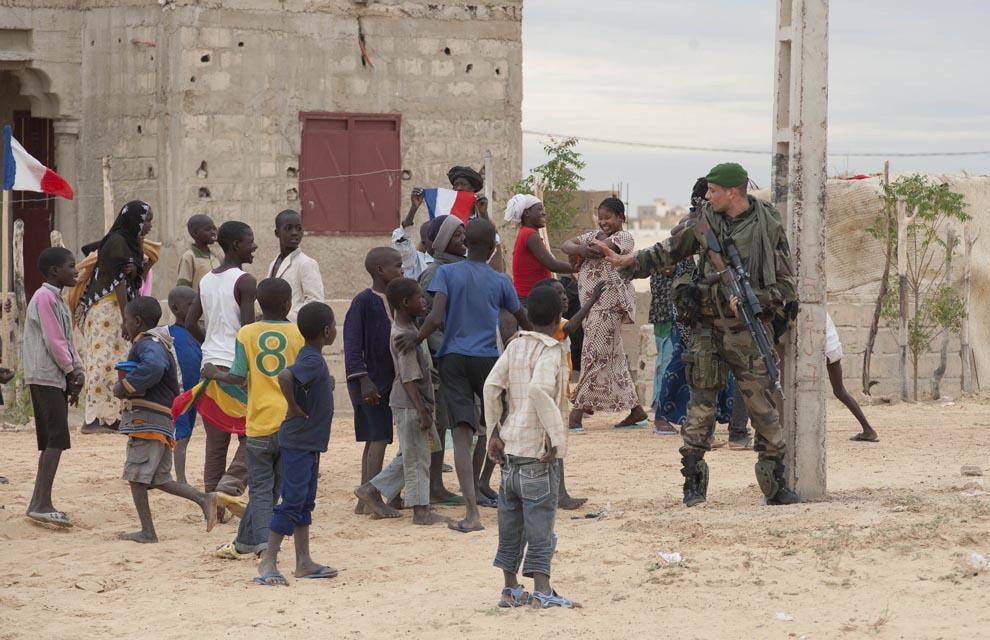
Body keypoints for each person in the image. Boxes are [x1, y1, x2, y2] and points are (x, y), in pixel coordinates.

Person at [596, 162, 802, 507]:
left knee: (764, 409)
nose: (707, 196)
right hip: (707, 329)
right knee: (700, 409)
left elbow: (786, 284)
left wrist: (756, 300)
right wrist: (627, 262)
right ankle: (693, 485)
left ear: (733, 191)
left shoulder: (767, 225)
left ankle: (775, 485)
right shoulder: (703, 223)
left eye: (713, 190)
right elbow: (668, 250)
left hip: (750, 331)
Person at [398, 218, 532, 534]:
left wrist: (416, 340)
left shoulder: (446, 273)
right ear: (491, 248)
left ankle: (471, 514)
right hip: (488, 359)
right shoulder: (500, 281)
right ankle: (513, 503)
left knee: (461, 433)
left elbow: (435, 316)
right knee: (502, 428)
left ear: (467, 244)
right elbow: (521, 317)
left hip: (453, 358)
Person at [484, 286, 575, 609]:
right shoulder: (552, 351)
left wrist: (493, 431)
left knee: (510, 524)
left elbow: (491, 386)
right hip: (538, 453)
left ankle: (510, 589)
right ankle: (542, 591)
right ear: (557, 319)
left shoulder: (515, 345)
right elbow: (539, 390)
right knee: (541, 524)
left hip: (509, 451)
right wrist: (556, 436)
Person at [203, 278, 304, 559]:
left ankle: (256, 544)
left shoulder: (246, 333)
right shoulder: (298, 334)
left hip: (259, 422)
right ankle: (254, 544)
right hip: (289, 420)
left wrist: (214, 373)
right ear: (288, 304)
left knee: (260, 489)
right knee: (273, 490)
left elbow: (237, 376)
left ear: (258, 303)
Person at [113, 296, 219, 543]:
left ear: (137, 321)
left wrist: (125, 386)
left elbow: (155, 366)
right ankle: (204, 499)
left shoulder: (148, 344)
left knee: (136, 475)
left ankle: (147, 532)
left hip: (147, 420)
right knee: (159, 478)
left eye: (126, 320)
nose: (125, 325)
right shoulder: (157, 341)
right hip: (159, 420)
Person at [258, 301, 338, 586]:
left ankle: (303, 561)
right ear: (328, 331)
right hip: (300, 441)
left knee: (304, 501)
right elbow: (284, 376)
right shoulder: (313, 359)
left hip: (309, 442)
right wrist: (292, 407)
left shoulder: (313, 358)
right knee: (292, 501)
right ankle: (267, 561)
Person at [354, 277, 446, 525]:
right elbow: (407, 377)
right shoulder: (404, 336)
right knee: (417, 459)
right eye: (419, 298)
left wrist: (428, 370)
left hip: (411, 401)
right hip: (410, 404)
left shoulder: (409, 330)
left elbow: (414, 368)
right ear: (405, 303)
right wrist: (422, 410)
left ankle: (371, 490)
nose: (424, 301)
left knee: (413, 453)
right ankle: (421, 510)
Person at [561, 197, 648, 431]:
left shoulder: (625, 238)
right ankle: (637, 412)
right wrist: (580, 249)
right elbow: (566, 245)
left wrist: (585, 249)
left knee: (593, 355)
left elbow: (602, 250)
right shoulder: (592, 236)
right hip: (592, 307)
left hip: (609, 306)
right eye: (600, 218)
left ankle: (576, 413)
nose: (604, 222)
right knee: (615, 359)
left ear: (621, 218)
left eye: (608, 217)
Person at [184, 221, 257, 498]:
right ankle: (229, 487)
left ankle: (211, 500)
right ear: (237, 245)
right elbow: (248, 331)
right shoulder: (245, 281)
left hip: (209, 365)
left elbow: (191, 322)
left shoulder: (206, 280)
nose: (255, 247)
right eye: (250, 241)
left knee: (216, 443)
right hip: (236, 367)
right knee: (254, 434)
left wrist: (210, 344)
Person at [72, 200, 155, 434]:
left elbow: (132, 281)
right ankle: (93, 420)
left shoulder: (131, 243)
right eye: (146, 220)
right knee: (102, 363)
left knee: (117, 363)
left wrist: (143, 269)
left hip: (119, 310)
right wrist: (127, 317)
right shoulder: (118, 242)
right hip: (106, 310)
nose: (149, 226)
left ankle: (113, 416)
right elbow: (118, 282)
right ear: (135, 221)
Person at [22, 247, 84, 527]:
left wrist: (77, 371)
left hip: (55, 376)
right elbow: (54, 341)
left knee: (53, 441)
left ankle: (39, 502)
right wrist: (71, 371)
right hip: (45, 375)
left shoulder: (58, 300)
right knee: (55, 440)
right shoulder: (44, 298)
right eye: (71, 266)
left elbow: (68, 341)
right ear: (54, 271)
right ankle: (41, 503)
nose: (76, 271)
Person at [530, 277, 603, 511]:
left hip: (556, 393)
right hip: (551, 396)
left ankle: (554, 492)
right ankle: (559, 494)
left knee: (550, 446)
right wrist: (591, 301)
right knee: (554, 445)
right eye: (558, 294)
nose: (564, 297)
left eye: (564, 293)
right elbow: (571, 327)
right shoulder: (555, 328)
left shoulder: (552, 324)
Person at [344, 247, 403, 514]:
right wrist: (363, 380)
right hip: (372, 383)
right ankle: (371, 497)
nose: (401, 270)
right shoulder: (363, 301)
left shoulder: (396, 299)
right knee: (377, 437)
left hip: (394, 380)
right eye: (397, 266)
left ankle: (366, 498)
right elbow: (352, 343)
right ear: (380, 270)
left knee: (380, 438)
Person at [418, 214, 467, 504]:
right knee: (435, 425)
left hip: (455, 358)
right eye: (458, 236)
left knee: (446, 422)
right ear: (444, 241)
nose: (463, 241)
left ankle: (435, 483)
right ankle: (430, 485)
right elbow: (426, 321)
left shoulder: (461, 268)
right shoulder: (435, 273)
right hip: (439, 359)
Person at [504, 194, 574, 302]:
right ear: (527, 212)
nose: (544, 213)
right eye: (540, 209)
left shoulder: (526, 232)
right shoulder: (529, 234)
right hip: (530, 299)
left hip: (530, 296)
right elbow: (553, 265)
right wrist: (579, 268)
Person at [166, 286, 202, 485]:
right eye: (191, 305)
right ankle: (180, 478)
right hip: (179, 393)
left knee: (185, 434)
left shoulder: (198, 333)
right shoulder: (170, 335)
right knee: (181, 435)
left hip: (194, 392)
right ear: (175, 308)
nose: (196, 309)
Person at [825, 313, 879, 442]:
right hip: (834, 349)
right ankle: (868, 430)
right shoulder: (821, 310)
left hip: (826, 350)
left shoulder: (811, 307)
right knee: (840, 391)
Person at [267, 209, 325, 322]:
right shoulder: (274, 263)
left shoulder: (307, 263)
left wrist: (285, 318)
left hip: (294, 329)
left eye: (299, 228)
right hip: (274, 328)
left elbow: (316, 302)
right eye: (288, 228)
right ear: (277, 233)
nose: (294, 233)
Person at [392, 188, 435, 280]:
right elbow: (401, 241)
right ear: (424, 243)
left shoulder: (454, 260)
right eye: (434, 237)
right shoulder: (415, 261)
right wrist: (413, 209)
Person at [176, 213, 221, 291]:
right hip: (199, 302)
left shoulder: (216, 256)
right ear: (196, 233)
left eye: (214, 229)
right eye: (208, 229)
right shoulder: (189, 257)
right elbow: (183, 286)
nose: (213, 232)